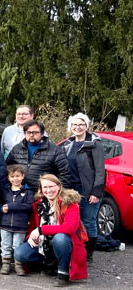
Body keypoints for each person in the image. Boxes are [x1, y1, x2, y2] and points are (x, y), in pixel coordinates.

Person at [14, 174, 87, 287]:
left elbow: (69, 228)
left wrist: (41, 230)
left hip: (65, 243)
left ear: (59, 186)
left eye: (51, 186)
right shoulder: (38, 204)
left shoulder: (70, 203)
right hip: (44, 244)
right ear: (41, 189)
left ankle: (63, 273)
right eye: (45, 187)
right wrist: (31, 238)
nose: (48, 190)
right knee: (20, 254)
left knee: (60, 238)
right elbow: (33, 226)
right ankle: (49, 264)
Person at [59, 112, 105, 263]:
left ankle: (88, 254)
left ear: (86, 126)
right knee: (72, 221)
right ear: (70, 127)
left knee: (89, 221)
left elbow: (100, 170)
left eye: (81, 124)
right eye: (74, 125)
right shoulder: (67, 144)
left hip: (89, 191)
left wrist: (96, 191)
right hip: (71, 192)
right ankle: (75, 250)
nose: (77, 127)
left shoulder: (94, 144)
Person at [5, 120, 71, 190]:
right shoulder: (17, 149)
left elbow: (65, 175)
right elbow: (7, 169)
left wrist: (56, 192)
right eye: (28, 132)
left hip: (44, 194)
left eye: (35, 132)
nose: (31, 135)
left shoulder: (55, 151)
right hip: (20, 193)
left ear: (42, 134)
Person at [0, 164, 34, 275]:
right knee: (5, 245)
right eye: (12, 176)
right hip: (5, 224)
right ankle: (5, 265)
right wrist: (1, 208)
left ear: (22, 176)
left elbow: (29, 206)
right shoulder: (5, 190)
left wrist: (11, 206)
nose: (15, 179)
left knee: (17, 246)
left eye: (18, 176)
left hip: (20, 225)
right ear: (9, 178)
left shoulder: (28, 191)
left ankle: (18, 265)